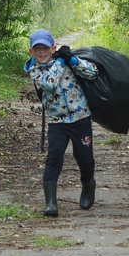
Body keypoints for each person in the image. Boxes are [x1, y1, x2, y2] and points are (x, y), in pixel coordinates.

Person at [24, 29, 99, 217]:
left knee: (85, 158)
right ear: (31, 52)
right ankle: (50, 203)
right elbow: (49, 83)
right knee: (54, 158)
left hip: (80, 118)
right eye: (37, 49)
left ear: (53, 48)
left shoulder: (66, 62)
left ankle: (88, 184)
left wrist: (72, 60)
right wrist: (59, 61)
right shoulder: (34, 70)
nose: (42, 52)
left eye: (46, 48)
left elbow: (92, 73)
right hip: (57, 122)